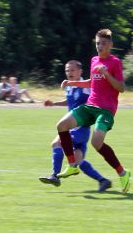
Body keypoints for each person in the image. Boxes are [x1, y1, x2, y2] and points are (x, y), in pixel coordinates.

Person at [54, 29, 131, 193]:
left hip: (106, 110)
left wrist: (106, 74)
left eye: (103, 43)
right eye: (97, 43)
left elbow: (122, 88)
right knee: (61, 126)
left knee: (96, 143)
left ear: (111, 45)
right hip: (90, 106)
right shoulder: (94, 60)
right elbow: (91, 83)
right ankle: (73, 165)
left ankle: (122, 173)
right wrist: (71, 83)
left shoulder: (115, 62)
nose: (100, 46)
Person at [39, 60, 111, 192]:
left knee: (57, 143)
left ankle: (55, 175)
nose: (69, 73)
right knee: (78, 161)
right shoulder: (69, 86)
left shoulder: (87, 87)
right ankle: (103, 181)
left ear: (80, 71)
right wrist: (54, 104)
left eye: (72, 70)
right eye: (67, 70)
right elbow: (70, 101)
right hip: (73, 127)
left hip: (81, 128)